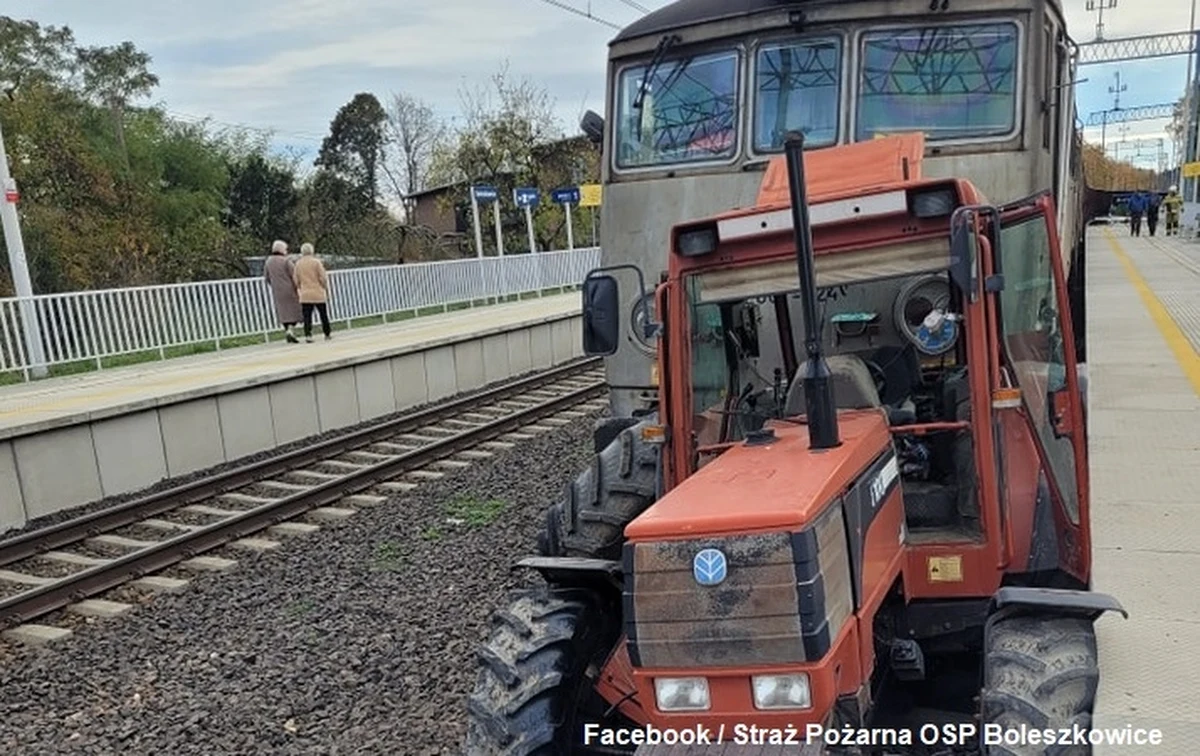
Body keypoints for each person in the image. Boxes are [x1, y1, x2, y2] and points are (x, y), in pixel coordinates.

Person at [264, 240, 301, 344]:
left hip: (277, 291)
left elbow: (267, 277)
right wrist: (297, 286)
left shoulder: (268, 261)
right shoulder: (286, 261)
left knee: (283, 312)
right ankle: (291, 329)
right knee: (295, 310)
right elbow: (294, 274)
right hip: (290, 289)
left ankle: (287, 330)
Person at [293, 242, 332, 342]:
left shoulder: (298, 264)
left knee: (307, 316)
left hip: (305, 293)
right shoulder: (316, 262)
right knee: (323, 314)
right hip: (317, 292)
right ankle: (327, 333)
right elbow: (322, 277)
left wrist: (299, 287)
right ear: (312, 251)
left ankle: (308, 335)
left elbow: (296, 280)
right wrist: (325, 287)